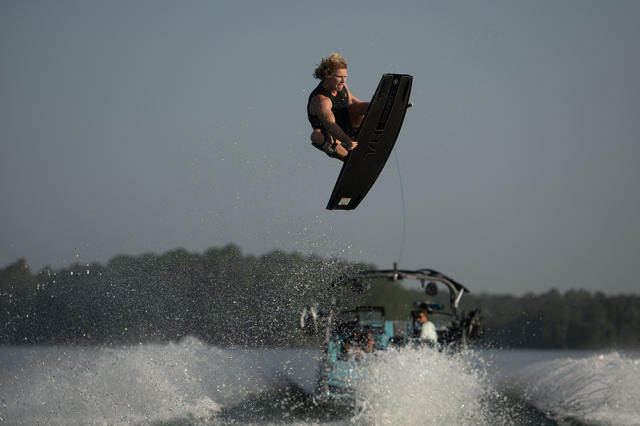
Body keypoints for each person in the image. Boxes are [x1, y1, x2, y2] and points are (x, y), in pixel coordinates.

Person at [307, 52, 369, 161]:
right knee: (317, 136)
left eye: (345, 76)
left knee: (355, 106)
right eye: (339, 76)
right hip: (336, 138)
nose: (343, 80)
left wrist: (371, 109)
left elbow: (353, 101)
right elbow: (331, 125)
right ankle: (350, 160)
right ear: (327, 75)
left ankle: (381, 111)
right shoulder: (321, 99)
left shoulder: (342, 86)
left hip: (350, 127)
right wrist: (346, 140)